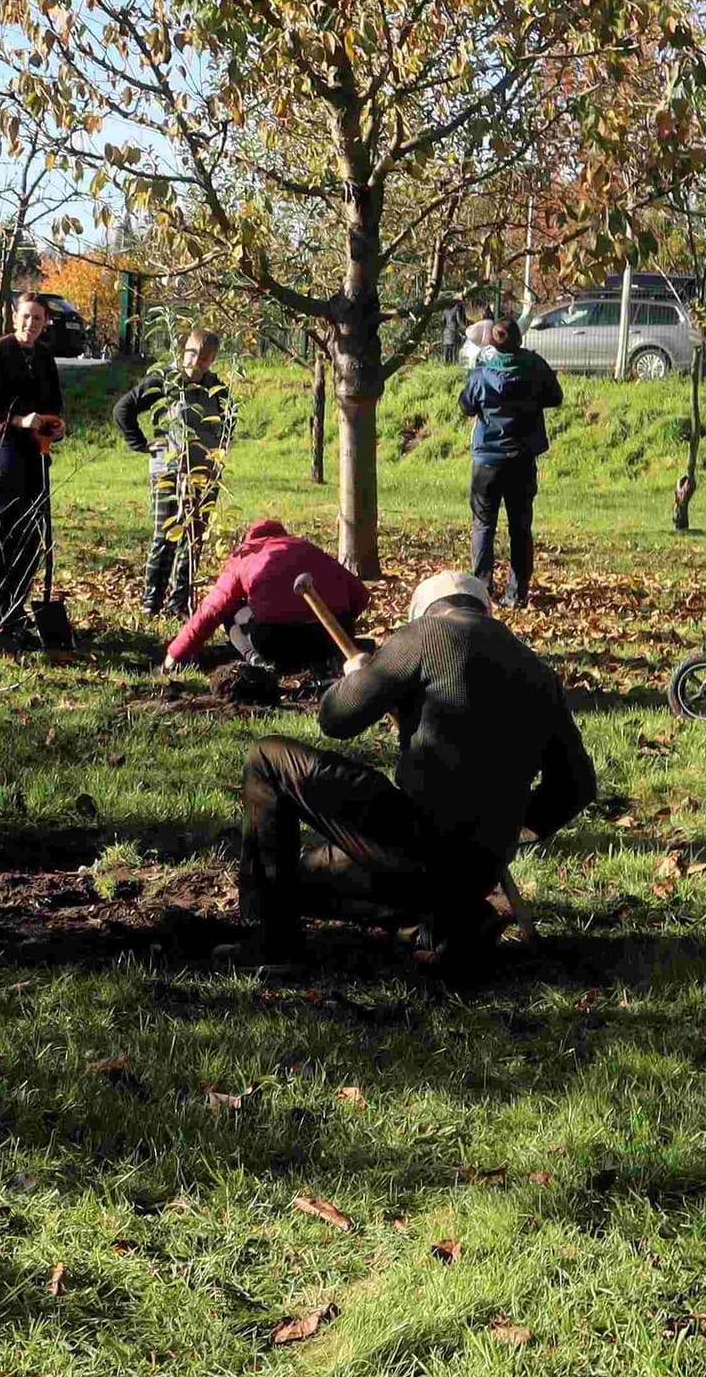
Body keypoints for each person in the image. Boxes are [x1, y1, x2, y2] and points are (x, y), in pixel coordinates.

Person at [233, 569, 595, 974]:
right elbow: (577, 786)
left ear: (423, 611)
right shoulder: (537, 669)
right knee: (303, 877)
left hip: (414, 847)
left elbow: (336, 719)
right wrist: (506, 826)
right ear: (485, 610)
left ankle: (270, 941)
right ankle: (455, 920)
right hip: (479, 870)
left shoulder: (425, 635)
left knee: (266, 758)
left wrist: (357, 678)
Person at [111, 328, 236, 616]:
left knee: (193, 538)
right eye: (192, 353)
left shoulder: (217, 388)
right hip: (169, 471)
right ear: (183, 350)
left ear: (213, 359)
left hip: (204, 474)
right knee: (165, 536)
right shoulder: (164, 380)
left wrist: (219, 452)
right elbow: (123, 409)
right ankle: (151, 603)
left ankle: (179, 602)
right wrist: (141, 444)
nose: (197, 362)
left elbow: (230, 419)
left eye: (205, 358)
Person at [0, 291, 67, 635]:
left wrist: (57, 425)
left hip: (36, 451)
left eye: (37, 319)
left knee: (35, 533)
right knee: (12, 527)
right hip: (3, 448)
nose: (30, 324)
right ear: (14, 318)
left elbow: (54, 404)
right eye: (25, 317)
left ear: (45, 323)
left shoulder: (44, 356)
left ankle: (16, 607)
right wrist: (19, 422)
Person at [457, 311, 565, 606]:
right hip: (522, 458)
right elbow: (556, 397)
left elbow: (466, 406)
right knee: (520, 526)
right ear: (519, 340)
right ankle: (517, 594)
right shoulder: (534, 366)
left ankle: (481, 590)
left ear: (492, 343)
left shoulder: (481, 373)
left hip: (487, 460)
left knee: (483, 525)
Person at [163, 517, 365, 674]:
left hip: (278, 641)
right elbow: (360, 595)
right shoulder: (306, 547)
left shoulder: (246, 554)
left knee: (231, 609)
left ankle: (256, 661)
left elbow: (211, 609)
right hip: (335, 635)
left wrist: (175, 654)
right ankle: (329, 657)